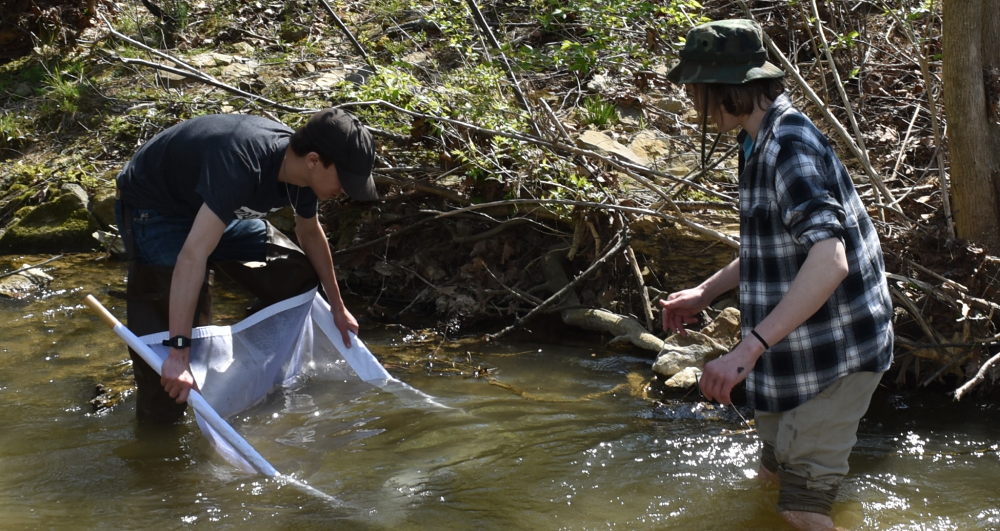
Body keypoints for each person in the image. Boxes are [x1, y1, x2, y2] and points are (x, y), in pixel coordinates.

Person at [659, 20, 893, 531]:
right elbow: (776, 248)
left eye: (696, 90)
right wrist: (705, 291)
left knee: (800, 507)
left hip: (838, 352)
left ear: (725, 89)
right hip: (793, 350)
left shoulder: (789, 147)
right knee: (771, 479)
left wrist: (747, 349)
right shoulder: (755, 142)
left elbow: (830, 260)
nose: (692, 102)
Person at [115, 108, 378, 423]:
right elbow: (192, 255)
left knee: (297, 274)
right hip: (156, 207)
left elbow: (309, 233)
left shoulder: (304, 177)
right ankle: (158, 438)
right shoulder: (242, 163)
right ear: (313, 160)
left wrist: (337, 306)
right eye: (345, 179)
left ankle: (247, 368)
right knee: (176, 352)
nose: (347, 190)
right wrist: (179, 354)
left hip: (218, 212)